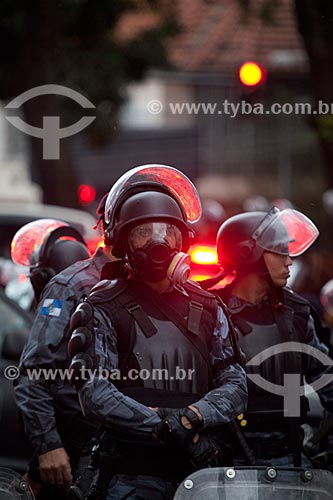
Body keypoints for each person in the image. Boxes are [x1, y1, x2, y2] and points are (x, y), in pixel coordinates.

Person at [68, 164, 248, 500]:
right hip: (131, 476)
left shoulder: (208, 305)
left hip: (201, 477)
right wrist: (170, 428)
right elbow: (94, 394)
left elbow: (235, 383)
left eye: (168, 232)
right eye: (144, 233)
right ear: (122, 241)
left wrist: (193, 416)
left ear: (183, 240)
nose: (159, 242)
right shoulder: (102, 306)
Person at [13, 201, 123, 498]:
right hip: (78, 445)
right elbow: (34, 372)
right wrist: (48, 446)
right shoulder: (66, 288)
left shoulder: (129, 283)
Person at [214, 206, 333, 467]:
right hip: (225, 463)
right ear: (248, 254)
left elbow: (327, 379)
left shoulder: (297, 314)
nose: (289, 261)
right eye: (280, 252)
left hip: (289, 458)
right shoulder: (210, 313)